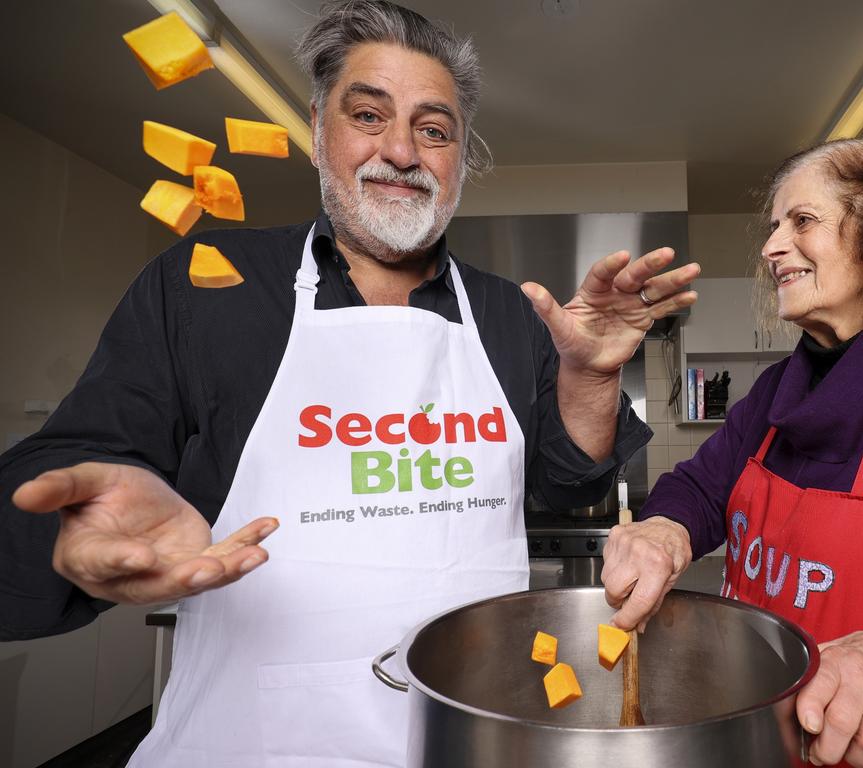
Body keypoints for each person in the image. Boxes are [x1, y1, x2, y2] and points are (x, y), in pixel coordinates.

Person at [0, 1, 698, 765]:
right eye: (368, 114)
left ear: (459, 159)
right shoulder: (204, 288)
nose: (400, 150)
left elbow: (568, 487)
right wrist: (68, 534)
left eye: (434, 130)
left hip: (475, 739)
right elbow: (55, 489)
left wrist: (594, 379)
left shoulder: (506, 312)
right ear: (315, 132)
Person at [602, 130, 863, 767]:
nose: (772, 246)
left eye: (802, 220)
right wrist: (665, 528)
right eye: (774, 225)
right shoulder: (777, 393)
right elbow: (700, 487)